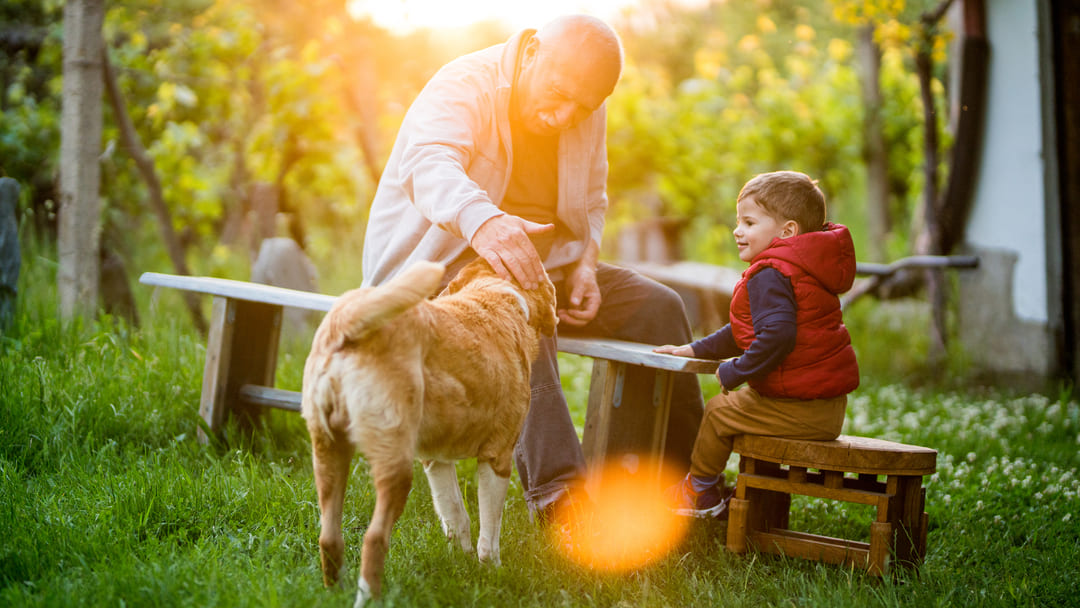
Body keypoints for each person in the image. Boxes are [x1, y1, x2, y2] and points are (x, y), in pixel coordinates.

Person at [361, 15, 704, 522]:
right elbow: (428, 164)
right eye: (559, 93)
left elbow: (592, 198)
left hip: (547, 267)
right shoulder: (464, 84)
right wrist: (486, 223)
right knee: (516, 307)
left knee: (659, 307)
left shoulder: (587, 105)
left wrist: (586, 263)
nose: (565, 115)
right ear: (531, 53)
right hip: (440, 274)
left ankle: (690, 485)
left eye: (582, 106)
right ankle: (560, 501)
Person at [654, 170, 860, 518]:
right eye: (738, 222)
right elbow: (744, 331)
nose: (737, 230)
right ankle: (751, 495)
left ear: (787, 231)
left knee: (721, 410)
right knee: (742, 404)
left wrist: (735, 370)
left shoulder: (771, 273)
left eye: (749, 222)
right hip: (824, 407)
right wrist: (694, 349)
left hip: (799, 409)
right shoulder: (803, 267)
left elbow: (777, 336)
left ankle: (699, 492)